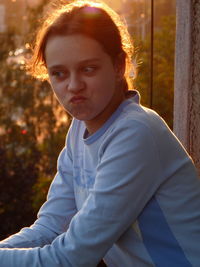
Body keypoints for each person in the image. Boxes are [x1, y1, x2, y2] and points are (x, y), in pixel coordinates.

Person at [0, 0, 200, 266]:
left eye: (88, 69)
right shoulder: (79, 129)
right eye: (58, 73)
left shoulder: (136, 133)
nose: (74, 85)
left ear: (119, 66)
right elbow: (50, 228)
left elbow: (72, 257)